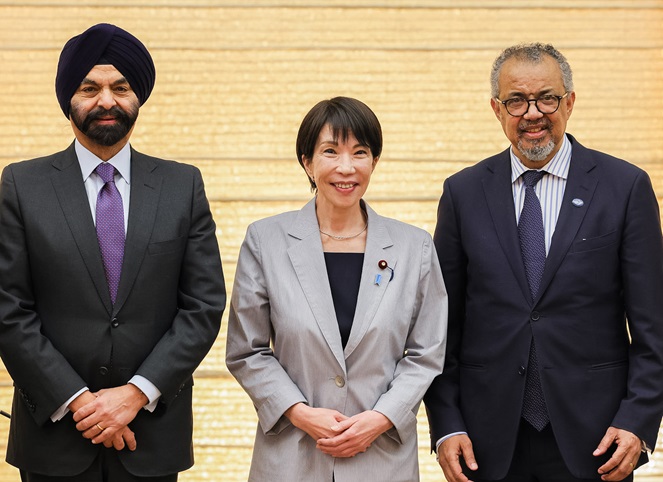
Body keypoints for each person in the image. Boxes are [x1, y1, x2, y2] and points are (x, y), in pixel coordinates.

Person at [424, 42, 663, 482]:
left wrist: (638, 420)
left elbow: (654, 326)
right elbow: (440, 327)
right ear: (496, 109)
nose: (532, 113)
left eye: (547, 98)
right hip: (486, 443)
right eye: (516, 100)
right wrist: (447, 424)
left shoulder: (624, 187)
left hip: (599, 441)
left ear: (569, 102)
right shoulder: (463, 193)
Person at [0, 23, 226, 481]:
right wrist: (78, 401)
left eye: (120, 88)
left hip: (151, 435)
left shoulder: (182, 186)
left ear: (138, 97)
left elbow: (202, 307)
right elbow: (8, 308)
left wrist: (136, 393)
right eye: (90, 88)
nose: (106, 101)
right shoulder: (22, 185)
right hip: (55, 436)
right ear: (68, 99)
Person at [225, 96, 447, 481]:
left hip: (381, 458)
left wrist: (381, 417)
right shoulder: (265, 241)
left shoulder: (414, 247)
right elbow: (247, 350)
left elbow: (427, 353)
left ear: (374, 161)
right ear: (307, 163)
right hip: (293, 456)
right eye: (330, 151)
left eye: (360, 152)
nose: (346, 167)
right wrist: (299, 413)